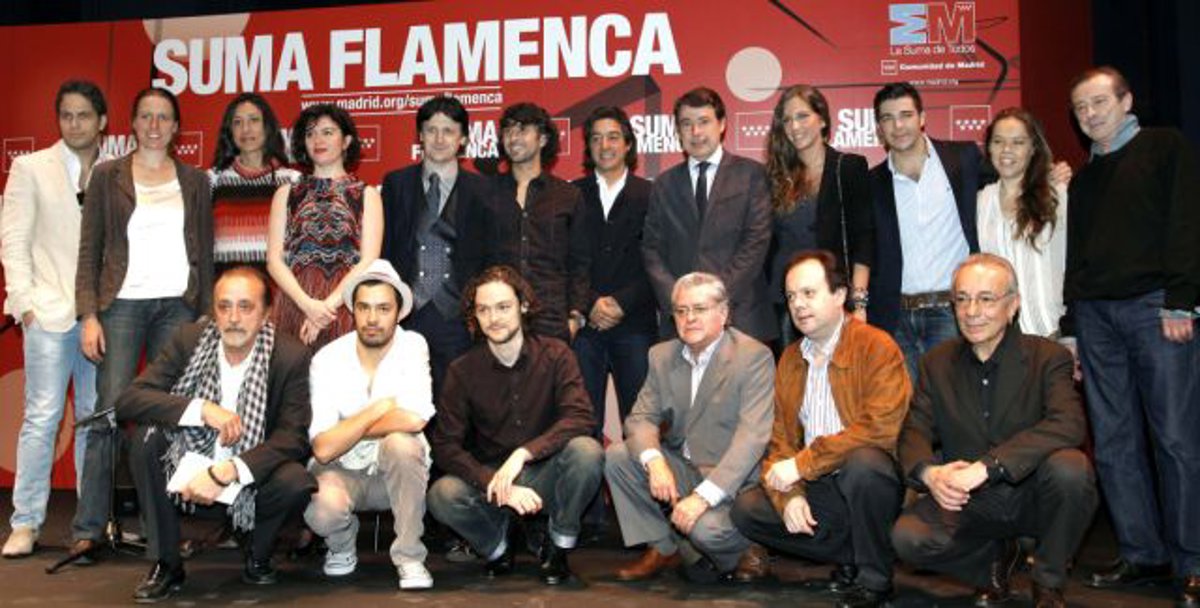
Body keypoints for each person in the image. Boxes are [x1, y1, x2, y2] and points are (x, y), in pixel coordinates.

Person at [1065, 66, 1200, 605]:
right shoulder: (1085, 178)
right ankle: (1143, 554)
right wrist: (1072, 327)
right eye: (1081, 108)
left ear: (1126, 101)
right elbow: (1076, 255)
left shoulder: (1165, 147)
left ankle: (1192, 560)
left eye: (1099, 102)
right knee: (1114, 442)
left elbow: (1187, 222)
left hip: (1156, 309)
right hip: (1095, 318)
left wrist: (1182, 298)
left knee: (1176, 438)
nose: (1090, 114)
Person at [891, 254, 1097, 608]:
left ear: (1013, 305)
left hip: (1032, 491)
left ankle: (1047, 580)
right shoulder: (936, 362)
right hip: (970, 500)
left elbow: (1068, 423)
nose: (972, 311)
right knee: (909, 538)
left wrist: (989, 466)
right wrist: (930, 473)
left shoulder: (1047, 357)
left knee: (1071, 469)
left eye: (986, 299)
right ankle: (991, 564)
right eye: (962, 299)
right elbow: (914, 431)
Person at [115, 266, 315, 602]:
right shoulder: (189, 340)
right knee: (147, 439)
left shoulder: (290, 356)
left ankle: (259, 554)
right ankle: (167, 563)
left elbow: (292, 437)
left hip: (248, 479)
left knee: (295, 480)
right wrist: (202, 409)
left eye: (245, 307)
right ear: (214, 311)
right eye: (224, 306)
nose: (233, 318)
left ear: (266, 313)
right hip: (190, 472)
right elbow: (129, 401)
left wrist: (228, 471)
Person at [74, 86, 213, 559]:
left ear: (176, 127)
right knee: (109, 414)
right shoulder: (106, 176)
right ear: (132, 124)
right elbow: (89, 251)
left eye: (163, 117)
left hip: (178, 307)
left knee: (169, 419)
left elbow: (204, 253)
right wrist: (89, 314)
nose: (154, 126)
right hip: (121, 306)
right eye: (146, 116)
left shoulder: (195, 181)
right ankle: (89, 527)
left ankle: (165, 530)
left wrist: (206, 315)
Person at [731, 251, 910, 608]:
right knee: (747, 509)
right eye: (791, 296)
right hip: (821, 484)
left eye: (809, 293)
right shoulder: (790, 358)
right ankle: (855, 555)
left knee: (863, 464)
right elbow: (781, 441)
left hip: (872, 482)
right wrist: (791, 495)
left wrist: (803, 464)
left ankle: (875, 579)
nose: (798, 305)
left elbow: (880, 429)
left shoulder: (877, 346)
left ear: (840, 295)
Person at [427, 266, 602, 586]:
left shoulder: (556, 354)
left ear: (523, 306)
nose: (493, 318)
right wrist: (492, 481)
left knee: (587, 451)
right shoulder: (462, 370)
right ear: (474, 316)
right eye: (483, 310)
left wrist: (524, 453)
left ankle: (558, 545)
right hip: (494, 481)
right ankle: (498, 545)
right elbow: (445, 446)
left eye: (503, 307)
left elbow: (580, 416)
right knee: (442, 494)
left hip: (547, 472)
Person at [606, 272, 774, 582]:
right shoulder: (661, 355)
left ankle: (747, 548)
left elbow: (752, 439)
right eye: (681, 311)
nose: (689, 318)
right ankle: (664, 546)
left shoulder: (753, 357)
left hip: (731, 481)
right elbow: (640, 418)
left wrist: (702, 498)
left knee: (705, 532)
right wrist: (655, 461)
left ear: (723, 313)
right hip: (684, 469)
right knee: (619, 456)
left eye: (699, 309)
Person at [1, 80, 108, 557]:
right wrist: (23, 304)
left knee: (94, 418)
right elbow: (13, 239)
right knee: (42, 417)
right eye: (67, 115)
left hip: (100, 317)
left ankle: (90, 523)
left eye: (84, 115)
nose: (75, 123)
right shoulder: (31, 167)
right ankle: (25, 523)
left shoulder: (116, 171)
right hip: (46, 313)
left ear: (102, 121)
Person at [304, 260, 435, 589]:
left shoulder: (414, 345)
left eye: (383, 308)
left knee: (402, 443)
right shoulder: (327, 358)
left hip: (395, 476)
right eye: (364, 307)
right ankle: (341, 546)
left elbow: (415, 417)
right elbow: (323, 448)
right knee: (320, 511)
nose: (372, 318)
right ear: (353, 310)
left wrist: (346, 429)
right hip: (341, 470)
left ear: (399, 312)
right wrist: (376, 410)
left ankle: (410, 557)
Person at [866, 82, 985, 380]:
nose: (898, 126)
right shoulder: (872, 183)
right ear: (879, 128)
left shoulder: (963, 158)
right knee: (905, 405)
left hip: (952, 310)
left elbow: (1012, 180)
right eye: (888, 118)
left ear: (922, 118)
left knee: (952, 400)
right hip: (895, 318)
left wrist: (1050, 173)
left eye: (906, 115)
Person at [642, 87, 775, 343]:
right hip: (682, 322)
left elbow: (756, 241)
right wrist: (680, 301)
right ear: (678, 131)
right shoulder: (663, 184)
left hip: (741, 317)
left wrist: (714, 298)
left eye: (704, 121)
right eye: (686, 124)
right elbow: (651, 250)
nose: (696, 132)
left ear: (722, 124)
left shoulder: (752, 175)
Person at [380, 95, 487, 398]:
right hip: (407, 312)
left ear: (463, 139)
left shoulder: (483, 189)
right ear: (420, 136)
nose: (439, 139)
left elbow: (491, 254)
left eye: (449, 131)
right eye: (431, 130)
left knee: (458, 402)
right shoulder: (396, 183)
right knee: (405, 401)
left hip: (459, 315)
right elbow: (386, 247)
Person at [764, 85, 873, 349]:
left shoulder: (848, 167)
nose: (794, 126)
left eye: (802, 116)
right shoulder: (775, 177)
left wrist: (858, 304)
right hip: (784, 303)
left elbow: (864, 239)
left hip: (831, 299)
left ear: (822, 119)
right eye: (787, 120)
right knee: (790, 373)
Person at [267, 103, 382, 349]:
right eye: (310, 134)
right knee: (292, 372)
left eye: (327, 132)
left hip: (344, 305)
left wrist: (327, 307)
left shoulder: (367, 195)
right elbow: (274, 261)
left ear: (346, 141)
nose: (318, 140)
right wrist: (307, 305)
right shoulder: (286, 194)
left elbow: (368, 261)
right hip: (295, 302)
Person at [570, 106, 657, 430]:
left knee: (640, 425)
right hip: (585, 328)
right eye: (596, 138)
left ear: (628, 144)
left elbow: (659, 260)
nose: (604, 146)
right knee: (581, 426)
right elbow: (564, 260)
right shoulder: (571, 194)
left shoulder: (652, 194)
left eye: (613, 137)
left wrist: (622, 302)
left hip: (636, 325)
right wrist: (591, 301)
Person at [482, 102, 591, 342]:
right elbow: (474, 256)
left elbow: (580, 262)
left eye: (522, 130)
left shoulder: (568, 195)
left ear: (542, 139)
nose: (513, 138)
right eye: (508, 130)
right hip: (497, 315)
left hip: (551, 318)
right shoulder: (485, 193)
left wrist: (575, 316)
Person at [977, 108, 1067, 338]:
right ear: (989, 148)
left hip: (1053, 331)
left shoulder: (1057, 195)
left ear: (1033, 148)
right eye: (998, 141)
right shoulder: (981, 201)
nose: (1006, 150)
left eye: (1018, 142)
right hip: (1001, 337)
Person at [208, 93, 299, 268]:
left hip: (278, 285)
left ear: (267, 127)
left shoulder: (293, 182)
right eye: (237, 122)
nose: (246, 129)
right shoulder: (212, 181)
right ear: (230, 131)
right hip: (227, 284)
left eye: (254, 120)